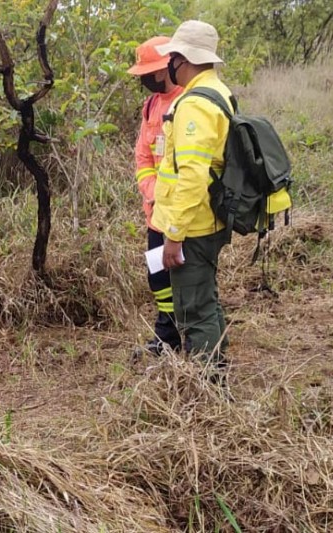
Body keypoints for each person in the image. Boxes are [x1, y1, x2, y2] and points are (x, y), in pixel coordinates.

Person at [151, 21, 233, 376]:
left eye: (172, 57)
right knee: (206, 301)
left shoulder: (195, 105)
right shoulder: (217, 92)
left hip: (194, 225)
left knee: (194, 309)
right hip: (208, 220)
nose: (169, 65)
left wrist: (174, 233)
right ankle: (217, 368)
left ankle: (208, 386)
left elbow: (193, 176)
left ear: (182, 59)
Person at [127, 36, 184, 358]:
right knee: (159, 278)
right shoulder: (151, 106)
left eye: (150, 73)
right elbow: (142, 157)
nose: (146, 80)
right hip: (156, 214)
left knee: (190, 280)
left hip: (187, 214)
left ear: (168, 67)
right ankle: (166, 336)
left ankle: (197, 339)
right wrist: (152, 192)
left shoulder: (189, 101)